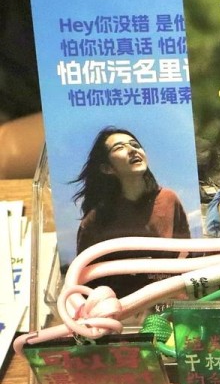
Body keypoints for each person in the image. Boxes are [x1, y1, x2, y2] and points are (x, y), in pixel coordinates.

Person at [72, 126, 191, 294]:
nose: (132, 150)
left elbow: (186, 251)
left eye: (135, 145)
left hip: (171, 299)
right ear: (107, 168)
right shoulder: (96, 219)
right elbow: (85, 279)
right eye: (119, 147)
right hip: (122, 304)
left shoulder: (169, 199)